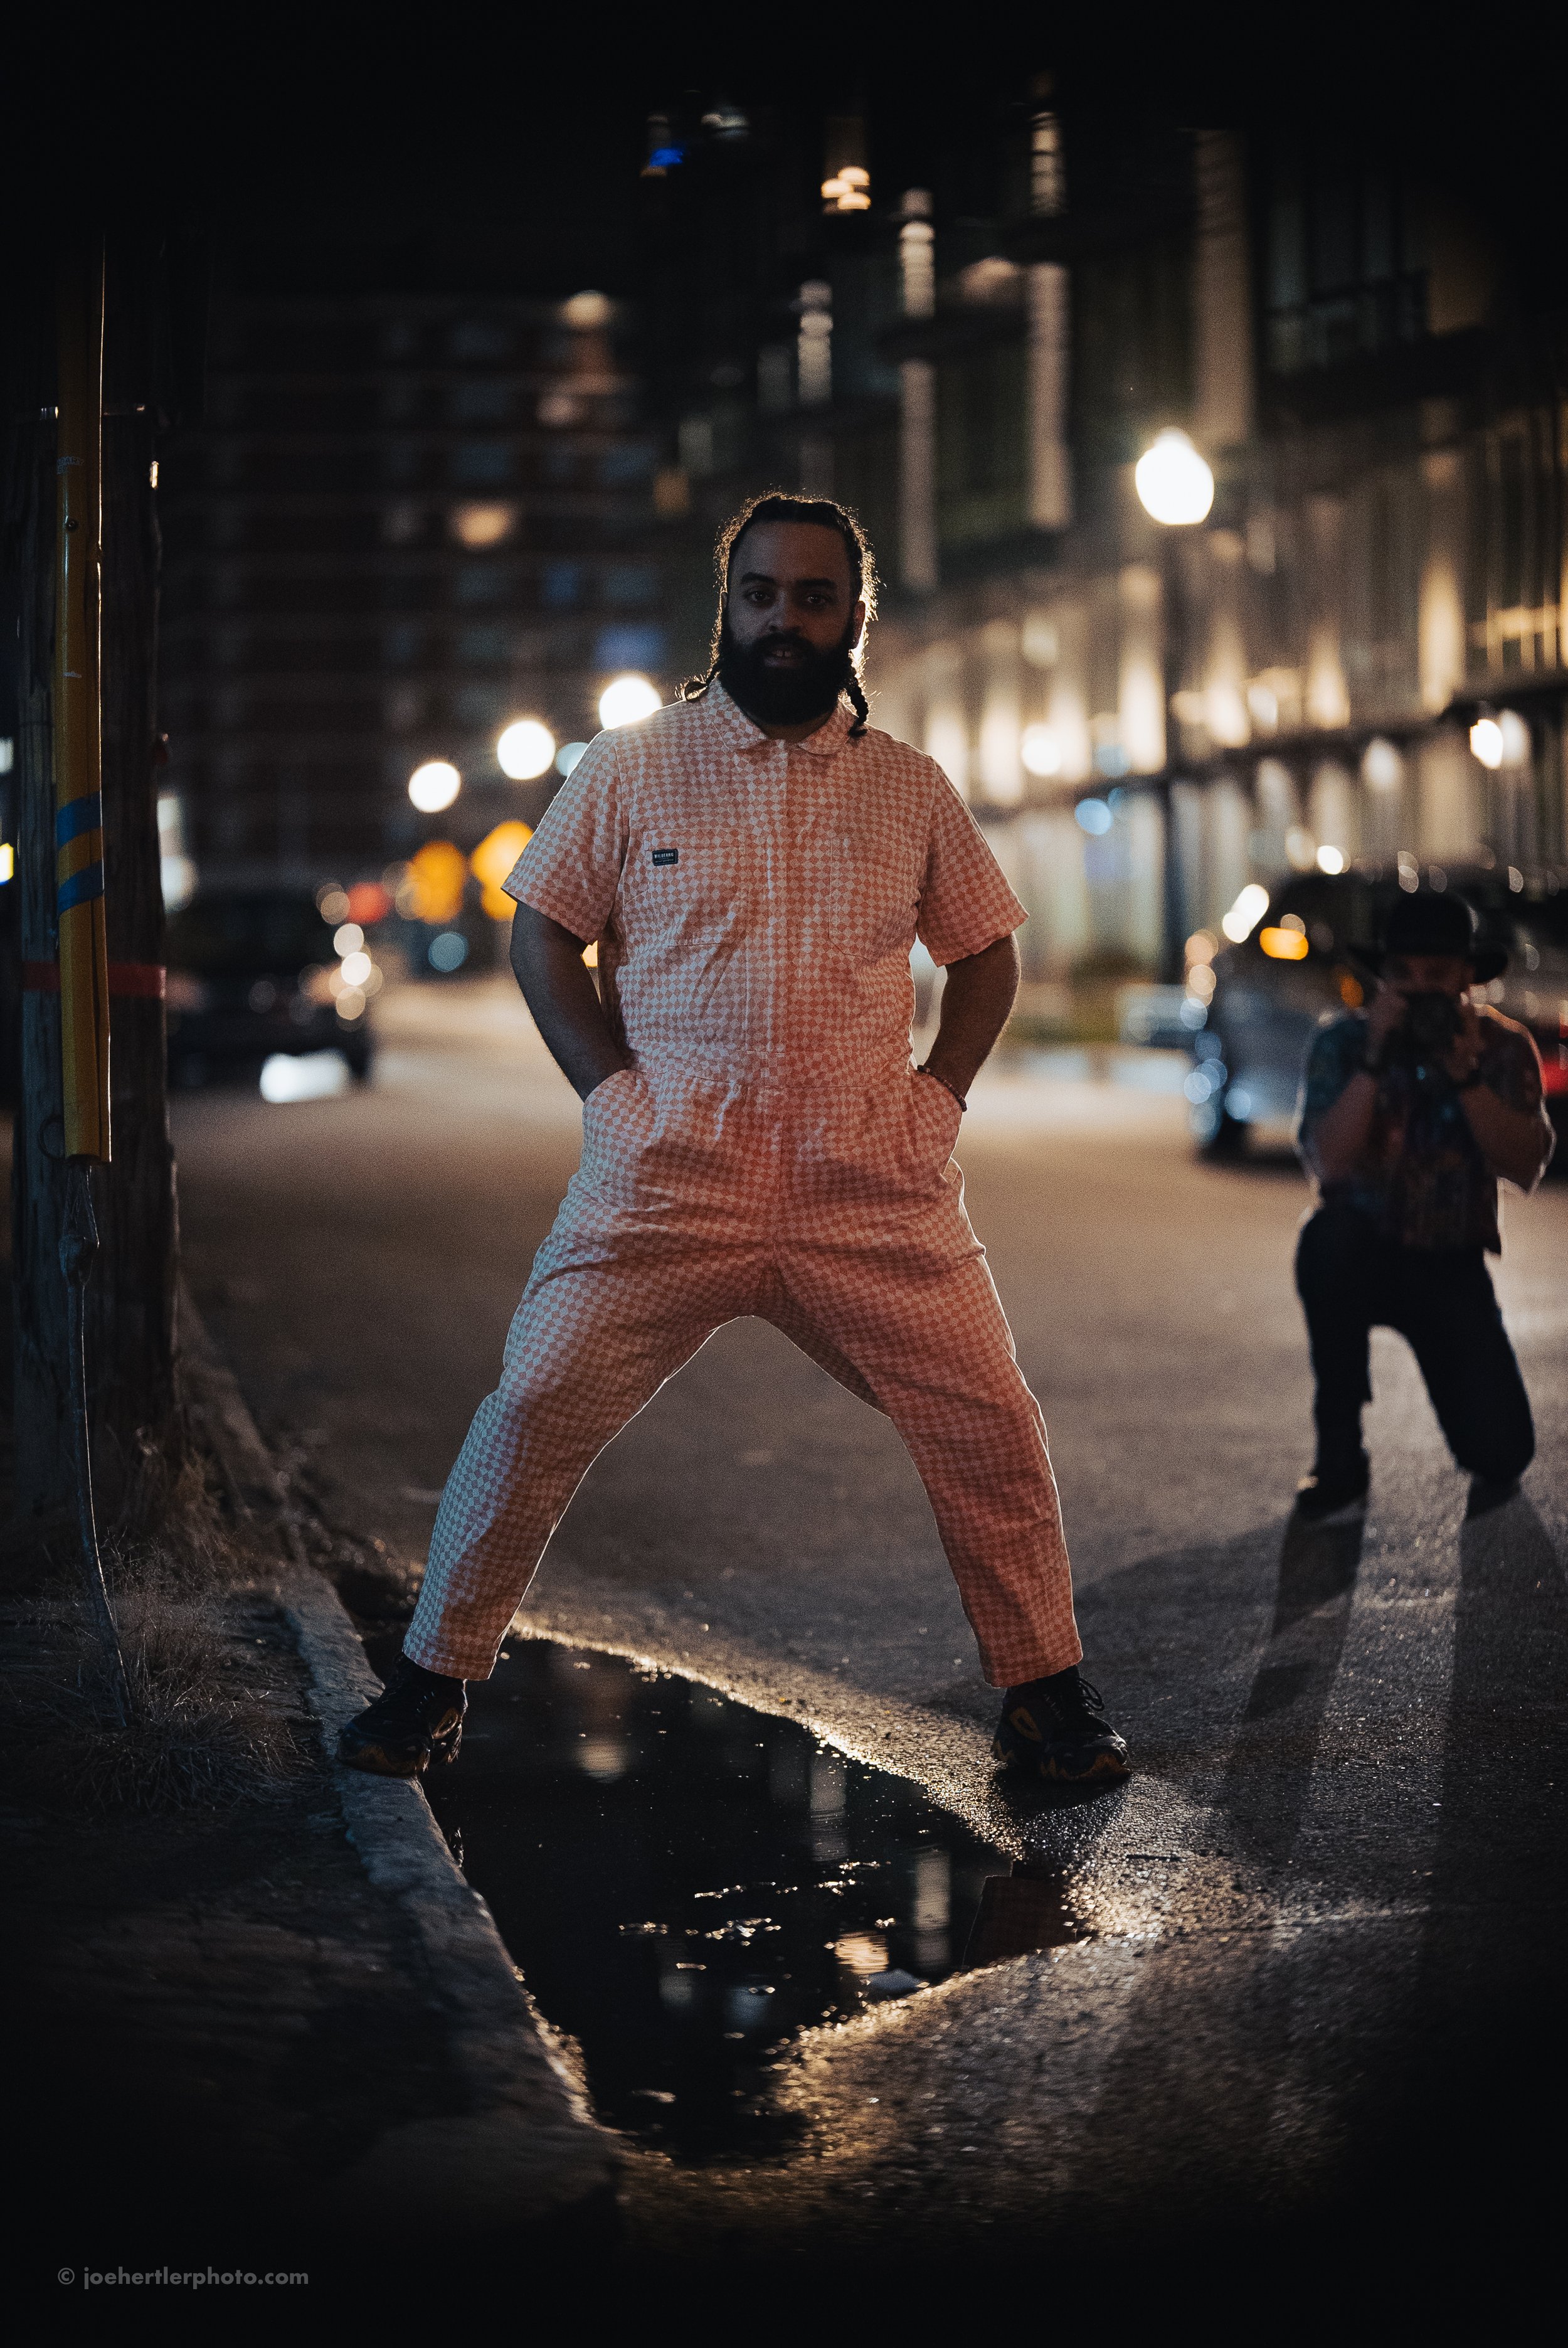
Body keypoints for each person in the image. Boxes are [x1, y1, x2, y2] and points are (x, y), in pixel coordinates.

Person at [339, 494, 1128, 1787]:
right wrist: (610, 1093)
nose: (782, 618)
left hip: (864, 1180)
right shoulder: (634, 763)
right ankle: (428, 1680)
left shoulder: (907, 787)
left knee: (986, 1419)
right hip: (665, 1174)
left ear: (853, 618)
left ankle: (1044, 1696)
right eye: (759, 592)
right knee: (532, 1405)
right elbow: (542, 928)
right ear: (728, 605)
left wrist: (939, 1096)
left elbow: (984, 948)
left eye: (813, 596)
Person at [1293, 886, 1554, 1523]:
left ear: (1468, 977)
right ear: (1380, 978)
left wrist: (1464, 1074)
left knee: (1501, 1454)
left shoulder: (1499, 1047)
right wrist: (1375, 1059)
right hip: (1363, 1252)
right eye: (1401, 975)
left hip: (1450, 1265)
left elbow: (1525, 1166)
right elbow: (1328, 1161)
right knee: (1326, 1237)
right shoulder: (1342, 1044)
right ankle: (1339, 1451)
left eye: (1435, 976)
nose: (1417, 992)